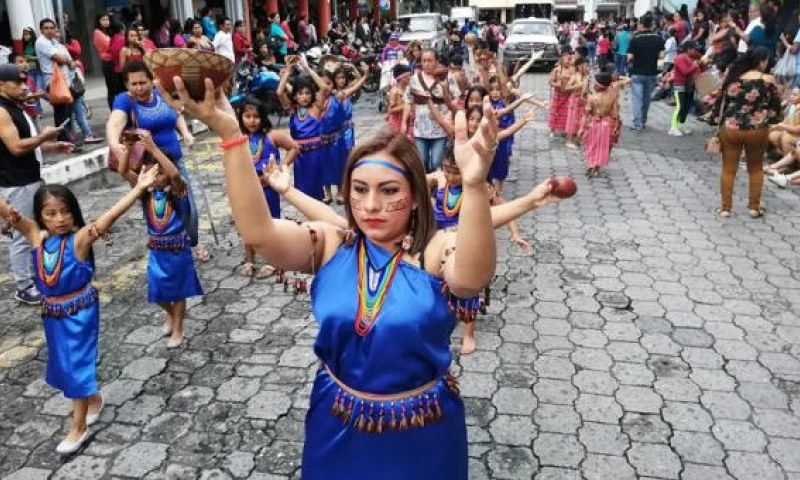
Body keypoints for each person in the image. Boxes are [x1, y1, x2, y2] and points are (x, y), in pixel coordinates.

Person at [175, 68, 498, 479]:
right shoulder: (332, 244)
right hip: (337, 420)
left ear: (416, 197)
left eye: (389, 191)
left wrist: (473, 185)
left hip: (423, 429)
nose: (371, 205)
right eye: (359, 189)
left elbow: (471, 278)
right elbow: (259, 233)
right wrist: (229, 135)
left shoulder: (433, 251)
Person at [0, 167, 159, 453]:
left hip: (80, 315)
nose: (59, 219)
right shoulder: (36, 236)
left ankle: (78, 427)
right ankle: (94, 399)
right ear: (39, 216)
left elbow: (110, 216)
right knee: (64, 366)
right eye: (50, 213)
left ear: (74, 212)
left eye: (65, 211)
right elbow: (8, 211)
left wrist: (138, 188)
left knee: (76, 366)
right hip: (53, 317)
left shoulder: (81, 239)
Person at [106, 61, 211, 262]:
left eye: (143, 82)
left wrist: (186, 133)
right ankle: (164, 245)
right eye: (133, 84)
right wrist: (114, 143)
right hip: (150, 168)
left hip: (175, 161)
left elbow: (176, 114)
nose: (138, 88)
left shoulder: (162, 92)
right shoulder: (125, 100)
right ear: (126, 85)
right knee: (157, 208)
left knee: (188, 206)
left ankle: (194, 242)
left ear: (151, 79)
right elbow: (114, 123)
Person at [119, 132, 203, 348]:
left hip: (177, 249)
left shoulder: (177, 191)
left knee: (179, 291)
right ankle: (172, 316)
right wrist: (128, 148)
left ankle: (179, 328)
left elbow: (175, 175)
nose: (154, 176)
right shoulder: (145, 193)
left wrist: (154, 147)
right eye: (150, 170)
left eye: (160, 172)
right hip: (157, 250)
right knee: (157, 292)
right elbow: (123, 171)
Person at [0, 64, 73, 304]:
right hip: (16, 183)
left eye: (25, 82)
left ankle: (40, 273)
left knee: (38, 228)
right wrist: (45, 136)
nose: (24, 87)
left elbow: (27, 143)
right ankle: (24, 286)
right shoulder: (2, 111)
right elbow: (15, 147)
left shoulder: (15, 107)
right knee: (22, 236)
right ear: (1, 84)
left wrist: (52, 146)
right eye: (17, 83)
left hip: (30, 177)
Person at [711, 46, 781, 218]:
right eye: (766, 60)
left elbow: (720, 104)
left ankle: (725, 208)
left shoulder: (733, 79)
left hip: (731, 128)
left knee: (728, 169)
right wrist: (769, 120)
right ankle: (753, 207)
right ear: (760, 61)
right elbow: (776, 108)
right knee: (756, 169)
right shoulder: (768, 80)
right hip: (757, 130)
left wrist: (716, 120)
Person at [236, 97, 299, 277]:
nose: (252, 121)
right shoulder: (239, 138)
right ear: (241, 117)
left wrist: (279, 168)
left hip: (268, 186)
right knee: (247, 223)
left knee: (271, 222)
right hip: (246, 187)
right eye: (247, 116)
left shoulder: (272, 136)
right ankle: (249, 259)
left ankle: (274, 261)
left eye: (256, 117)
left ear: (263, 117)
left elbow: (294, 148)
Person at [276, 61, 325, 200]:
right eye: (300, 93)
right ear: (295, 96)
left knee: (316, 190)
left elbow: (324, 88)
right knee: (302, 190)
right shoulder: (293, 111)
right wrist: (287, 72)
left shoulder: (316, 108)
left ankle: (319, 217)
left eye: (308, 93)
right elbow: (280, 92)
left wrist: (307, 68)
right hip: (298, 156)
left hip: (315, 155)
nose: (304, 96)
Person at [406, 49, 450, 173]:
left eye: (430, 61)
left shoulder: (446, 78)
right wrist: (405, 122)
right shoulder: (414, 79)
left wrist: (449, 116)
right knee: (422, 160)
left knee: (436, 161)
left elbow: (456, 98)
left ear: (436, 61)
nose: (426, 64)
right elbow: (408, 101)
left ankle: (437, 188)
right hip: (420, 128)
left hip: (440, 128)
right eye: (424, 61)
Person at [34, 18, 76, 144]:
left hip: (63, 79)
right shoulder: (42, 42)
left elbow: (66, 56)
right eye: (46, 28)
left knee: (67, 110)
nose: (49, 30)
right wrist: (68, 61)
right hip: (53, 81)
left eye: (51, 28)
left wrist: (68, 60)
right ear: (41, 30)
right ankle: (63, 138)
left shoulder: (54, 41)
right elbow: (61, 58)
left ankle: (67, 137)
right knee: (61, 111)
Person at [579, 71, 620, 177]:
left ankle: (591, 165)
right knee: (602, 146)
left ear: (601, 85)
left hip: (594, 123)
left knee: (591, 145)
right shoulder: (613, 96)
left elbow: (586, 113)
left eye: (596, 83)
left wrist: (582, 127)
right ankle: (597, 168)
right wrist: (616, 127)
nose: (593, 85)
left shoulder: (592, 97)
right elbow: (615, 113)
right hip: (607, 124)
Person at [627, 15, 664, 132]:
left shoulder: (635, 38)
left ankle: (638, 124)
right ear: (651, 24)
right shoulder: (658, 38)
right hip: (652, 72)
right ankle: (643, 120)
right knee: (646, 98)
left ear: (641, 25)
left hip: (637, 72)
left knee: (637, 98)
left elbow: (630, 57)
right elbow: (661, 55)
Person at [669, 41, 702, 137]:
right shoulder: (680, 58)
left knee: (686, 107)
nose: (695, 51)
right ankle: (673, 127)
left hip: (689, 86)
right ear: (688, 49)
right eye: (693, 49)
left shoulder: (691, 58)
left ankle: (681, 124)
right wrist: (694, 66)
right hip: (680, 85)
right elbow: (684, 71)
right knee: (680, 106)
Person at [92, 13, 115, 109]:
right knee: (112, 89)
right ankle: (113, 109)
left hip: (113, 61)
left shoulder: (108, 32)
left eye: (107, 19)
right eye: (103, 19)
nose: (106, 22)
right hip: (108, 62)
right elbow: (110, 46)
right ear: (98, 21)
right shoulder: (98, 32)